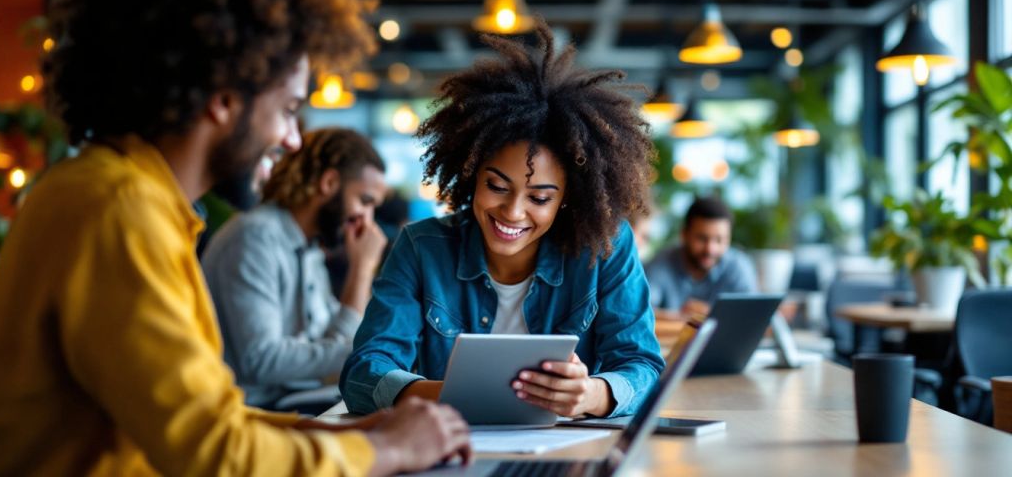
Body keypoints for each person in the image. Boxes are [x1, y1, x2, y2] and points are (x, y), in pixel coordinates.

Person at [0, 0, 469, 475]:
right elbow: (216, 454)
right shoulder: (120, 208)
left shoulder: (125, 195)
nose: (291, 141)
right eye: (287, 109)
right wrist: (386, 451)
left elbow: (207, 416)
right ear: (223, 99)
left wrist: (337, 432)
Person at [341, 22, 664, 419]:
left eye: (540, 197)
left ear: (567, 198)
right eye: (496, 186)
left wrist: (593, 395)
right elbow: (361, 374)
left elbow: (644, 367)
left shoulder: (606, 249)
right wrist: (454, 395)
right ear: (471, 173)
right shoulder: (421, 248)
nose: (513, 212)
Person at [202, 128, 388, 413]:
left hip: (295, 402)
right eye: (364, 202)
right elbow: (261, 360)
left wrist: (360, 269)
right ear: (329, 183)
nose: (367, 220)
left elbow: (332, 340)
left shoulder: (309, 247)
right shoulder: (255, 237)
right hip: (254, 411)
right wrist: (364, 350)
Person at [645, 196, 758, 320]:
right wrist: (685, 317)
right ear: (684, 235)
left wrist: (711, 314)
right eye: (702, 238)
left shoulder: (738, 266)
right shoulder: (661, 263)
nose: (710, 249)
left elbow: (752, 315)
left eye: (719, 240)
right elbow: (638, 312)